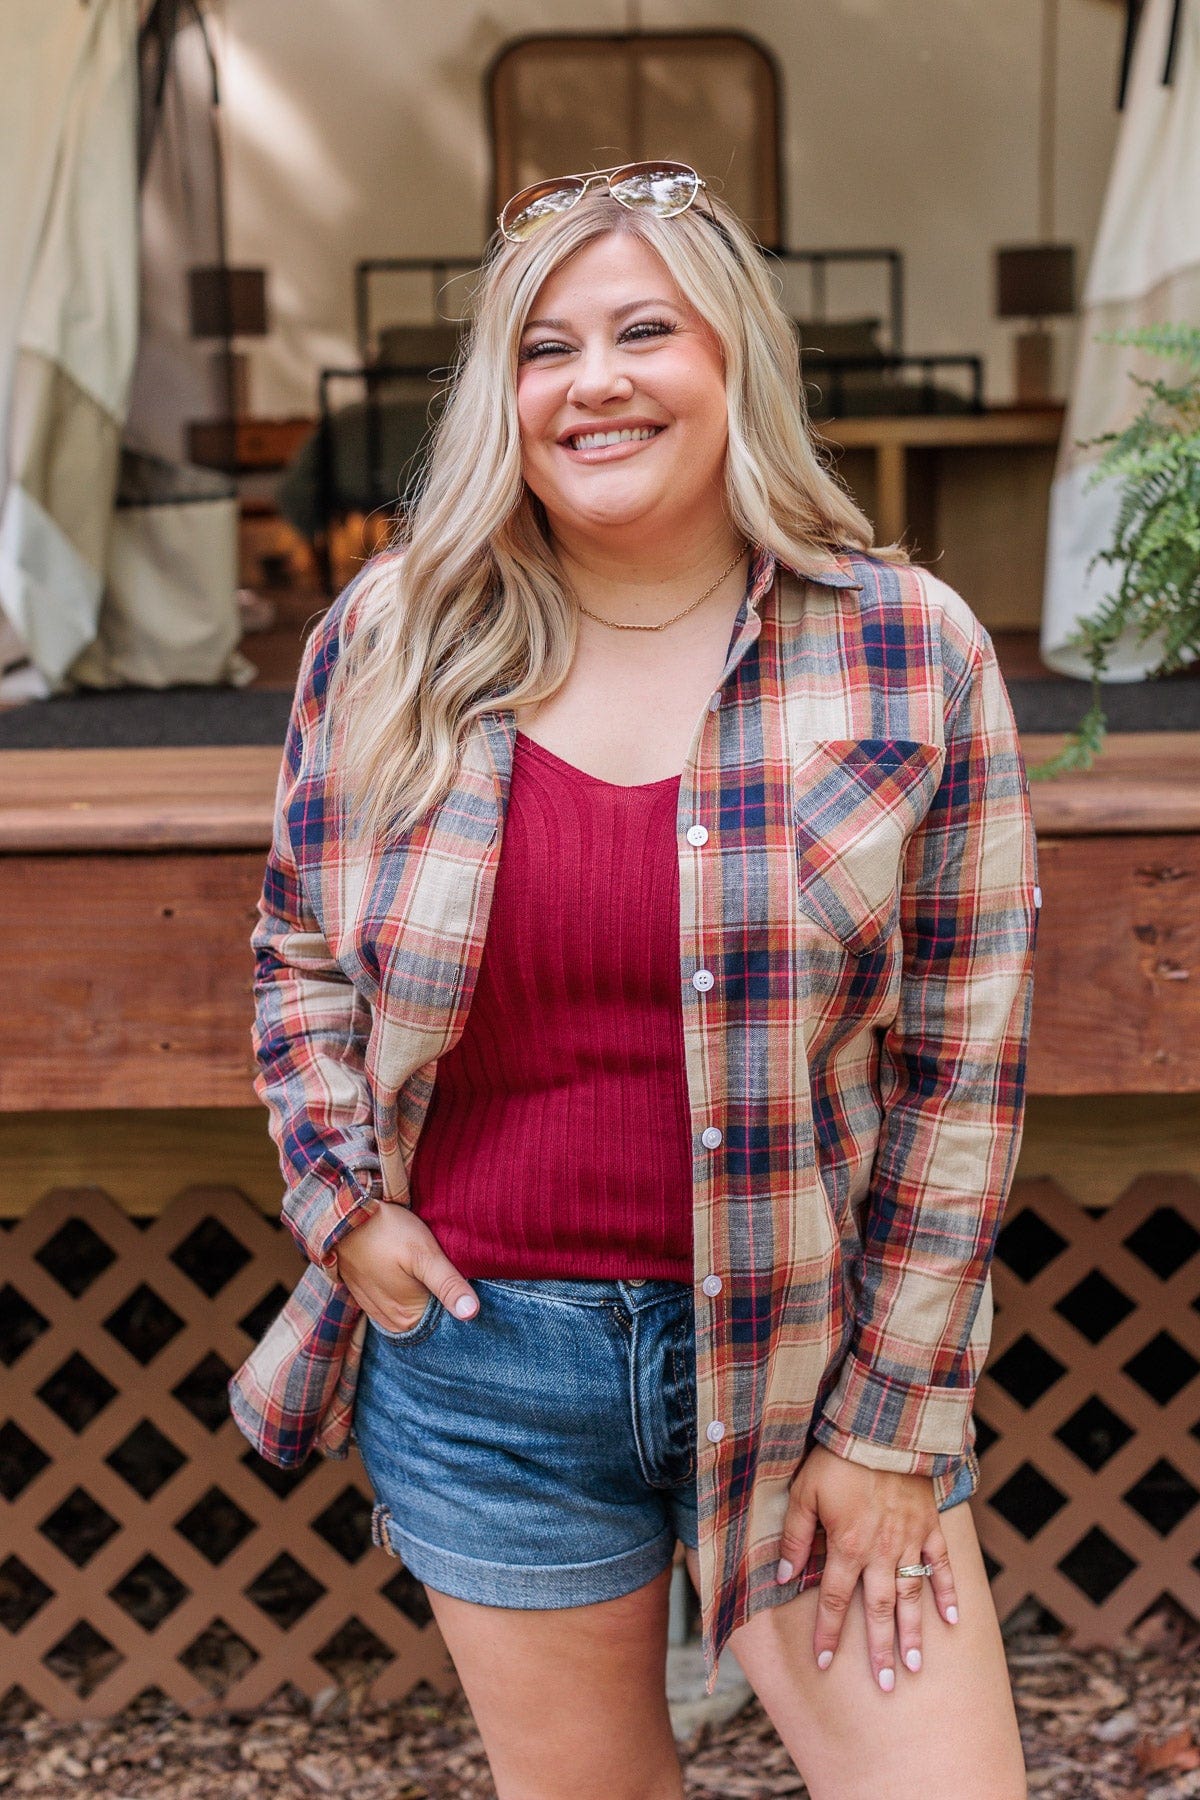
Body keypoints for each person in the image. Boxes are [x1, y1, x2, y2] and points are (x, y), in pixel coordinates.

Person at [229, 162, 1039, 1800]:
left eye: (642, 331)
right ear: (500, 398)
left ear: (731, 358)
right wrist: (344, 1208)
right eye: (543, 348)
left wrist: (893, 1427)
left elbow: (966, 1068)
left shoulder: (903, 643)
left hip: (807, 1353)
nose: (592, 381)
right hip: (486, 1365)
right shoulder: (392, 637)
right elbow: (301, 947)